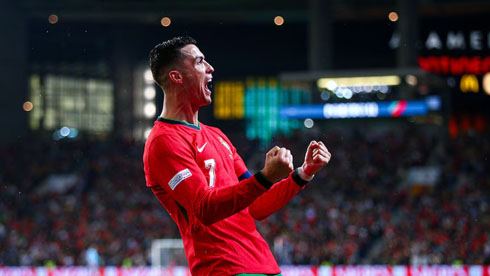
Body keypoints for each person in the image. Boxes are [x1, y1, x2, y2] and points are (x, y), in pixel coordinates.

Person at [143, 36, 331, 276]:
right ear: (176, 77)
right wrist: (265, 177)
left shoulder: (217, 136)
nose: (210, 68)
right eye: (200, 62)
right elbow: (205, 208)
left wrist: (303, 173)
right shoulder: (163, 141)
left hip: (263, 265)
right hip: (224, 268)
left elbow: (256, 207)